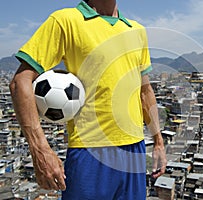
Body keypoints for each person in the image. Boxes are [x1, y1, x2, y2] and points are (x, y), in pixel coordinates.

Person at [9, 0, 167, 199]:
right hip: (90, 153)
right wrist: (40, 150)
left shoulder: (137, 30)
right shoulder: (66, 21)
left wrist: (158, 142)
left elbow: (144, 92)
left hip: (135, 151)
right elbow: (20, 82)